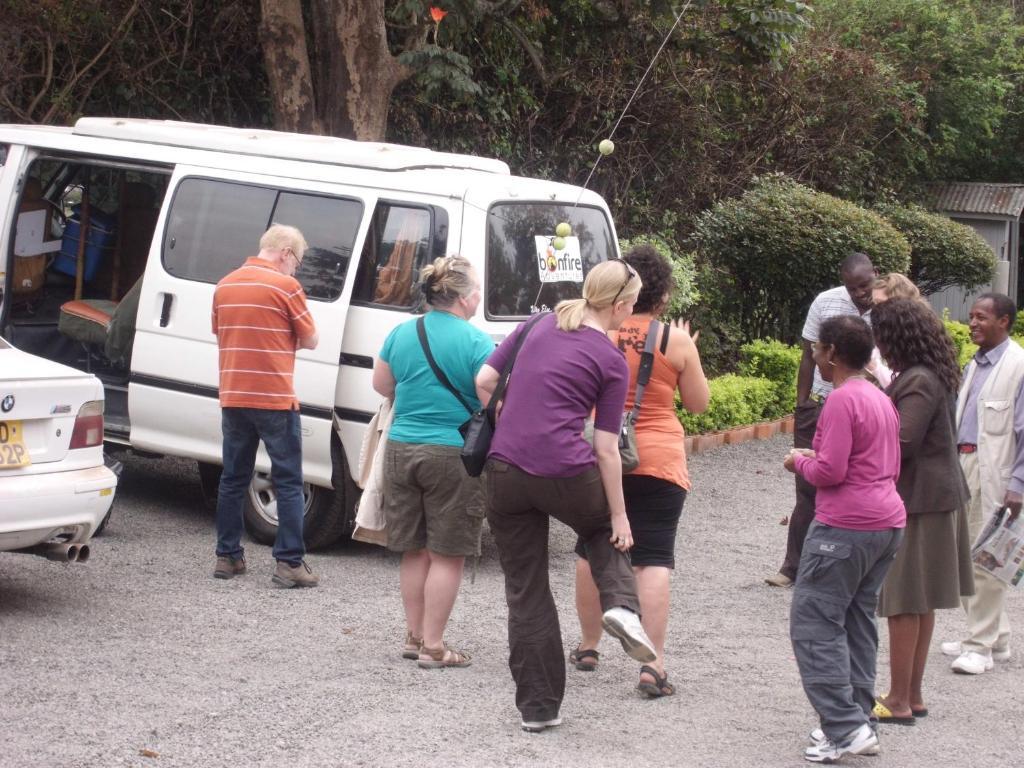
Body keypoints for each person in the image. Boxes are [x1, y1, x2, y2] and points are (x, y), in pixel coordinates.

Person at [477, 259, 657, 734]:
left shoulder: (535, 323)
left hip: (504, 469)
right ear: (618, 304)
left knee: (526, 590)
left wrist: (510, 422)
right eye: (632, 305)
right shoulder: (611, 360)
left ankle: (539, 709)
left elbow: (484, 381)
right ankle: (619, 606)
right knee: (600, 530)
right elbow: (606, 447)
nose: (631, 313)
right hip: (566, 471)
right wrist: (620, 517)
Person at [570, 245, 709, 698]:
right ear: (663, 293)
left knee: (592, 551)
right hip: (659, 459)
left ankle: (589, 647)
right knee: (653, 559)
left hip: (597, 451)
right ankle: (653, 667)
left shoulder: (595, 332)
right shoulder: (675, 339)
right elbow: (698, 404)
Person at [783, 315, 906, 763]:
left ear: (832, 353)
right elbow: (869, 461)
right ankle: (859, 723)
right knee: (856, 623)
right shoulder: (879, 396)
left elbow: (830, 472)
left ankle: (844, 726)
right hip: (886, 523)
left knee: (814, 624)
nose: (813, 354)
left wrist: (798, 462)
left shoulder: (839, 400)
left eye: (817, 348)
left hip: (846, 527)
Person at [371, 255, 493, 669]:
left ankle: (413, 634)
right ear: (461, 297)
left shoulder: (401, 332)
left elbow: (382, 385)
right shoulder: (478, 343)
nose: (478, 297)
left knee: (414, 549)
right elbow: (491, 398)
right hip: (452, 453)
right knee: (447, 553)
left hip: (402, 448)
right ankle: (434, 646)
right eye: (475, 289)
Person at [871, 298, 974, 723]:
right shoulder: (931, 374)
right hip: (938, 498)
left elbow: (904, 441)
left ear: (895, 336)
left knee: (902, 600)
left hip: (920, 500)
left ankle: (898, 699)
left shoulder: (917, 380)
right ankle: (911, 695)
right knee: (922, 600)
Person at [211, 224, 320, 587]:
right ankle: (289, 563)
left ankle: (228, 557)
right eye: (298, 263)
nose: (296, 270)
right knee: (288, 479)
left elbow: (222, 331)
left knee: (232, 477)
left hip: (233, 394)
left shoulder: (224, 285)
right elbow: (311, 339)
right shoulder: (287, 287)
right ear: (286, 253)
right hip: (274, 397)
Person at [766, 252, 876, 588]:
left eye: (865, 286)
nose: (861, 294)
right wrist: (802, 405)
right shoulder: (826, 303)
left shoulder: (887, 304)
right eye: (854, 288)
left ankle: (844, 569)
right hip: (821, 404)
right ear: (844, 282)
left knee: (852, 483)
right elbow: (807, 357)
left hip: (865, 405)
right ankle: (793, 566)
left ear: (876, 275)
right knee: (807, 487)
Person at [942, 293, 1024, 675]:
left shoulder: (1018, 365)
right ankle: (996, 636)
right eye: (972, 316)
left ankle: (980, 646)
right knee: (963, 553)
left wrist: (1018, 484)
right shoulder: (976, 363)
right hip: (965, 463)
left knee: (987, 560)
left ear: (1004, 321)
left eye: (982, 317)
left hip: (997, 472)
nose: (973, 323)